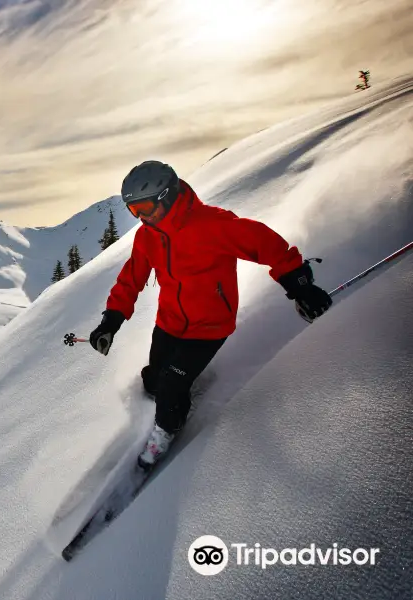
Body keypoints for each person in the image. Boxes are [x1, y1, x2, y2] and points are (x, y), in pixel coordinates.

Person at [89, 160, 332, 470]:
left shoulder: (212, 224)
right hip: (169, 322)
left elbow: (263, 243)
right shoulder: (148, 237)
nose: (143, 217)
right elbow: (131, 278)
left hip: (208, 327)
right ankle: (169, 396)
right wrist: (111, 320)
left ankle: (166, 429)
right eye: (135, 211)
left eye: (147, 207)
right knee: (155, 376)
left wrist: (299, 285)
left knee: (170, 386)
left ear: (167, 195)